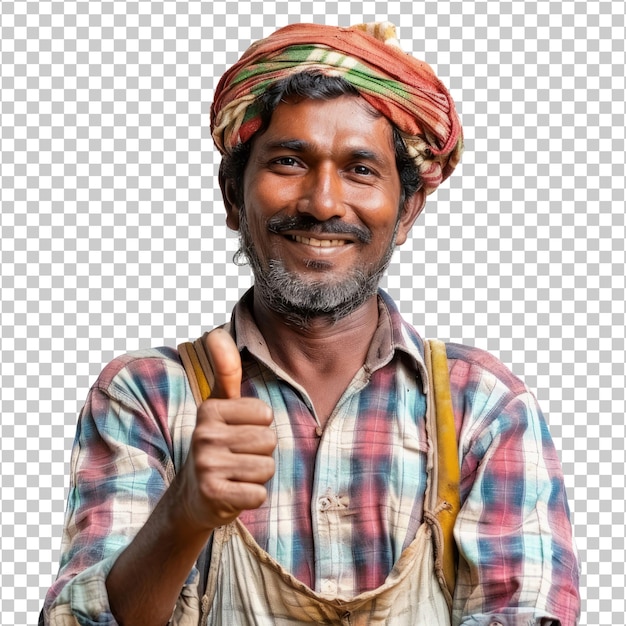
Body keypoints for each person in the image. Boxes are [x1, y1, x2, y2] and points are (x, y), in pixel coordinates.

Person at [41, 21, 580, 626]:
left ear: (406, 210)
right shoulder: (146, 398)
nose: (323, 202)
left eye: (360, 170)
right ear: (231, 197)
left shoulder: (482, 408)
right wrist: (184, 513)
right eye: (289, 161)